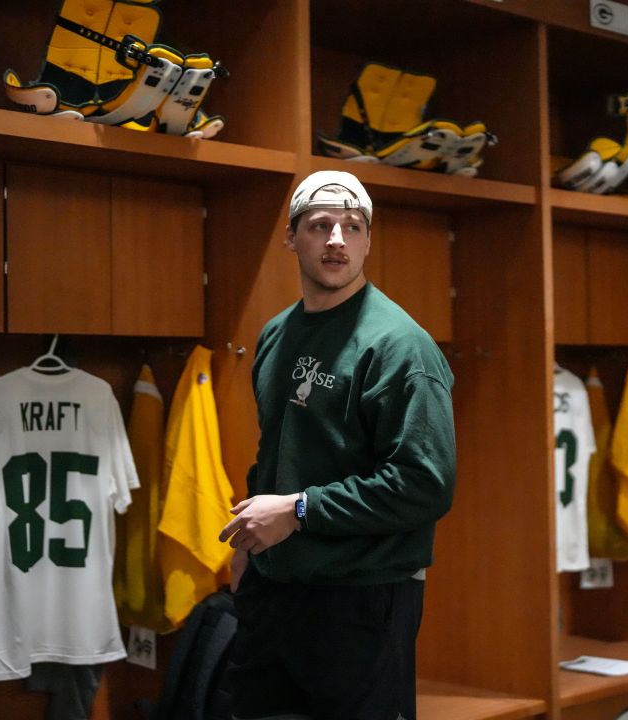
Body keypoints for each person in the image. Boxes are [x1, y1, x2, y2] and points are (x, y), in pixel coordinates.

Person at [217, 170, 457, 720]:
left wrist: (300, 511)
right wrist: (248, 546)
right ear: (291, 236)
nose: (336, 239)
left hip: (362, 598)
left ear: (368, 241)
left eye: (352, 227)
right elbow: (278, 448)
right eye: (320, 224)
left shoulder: (400, 347)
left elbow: (426, 484)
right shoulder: (277, 333)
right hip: (275, 589)